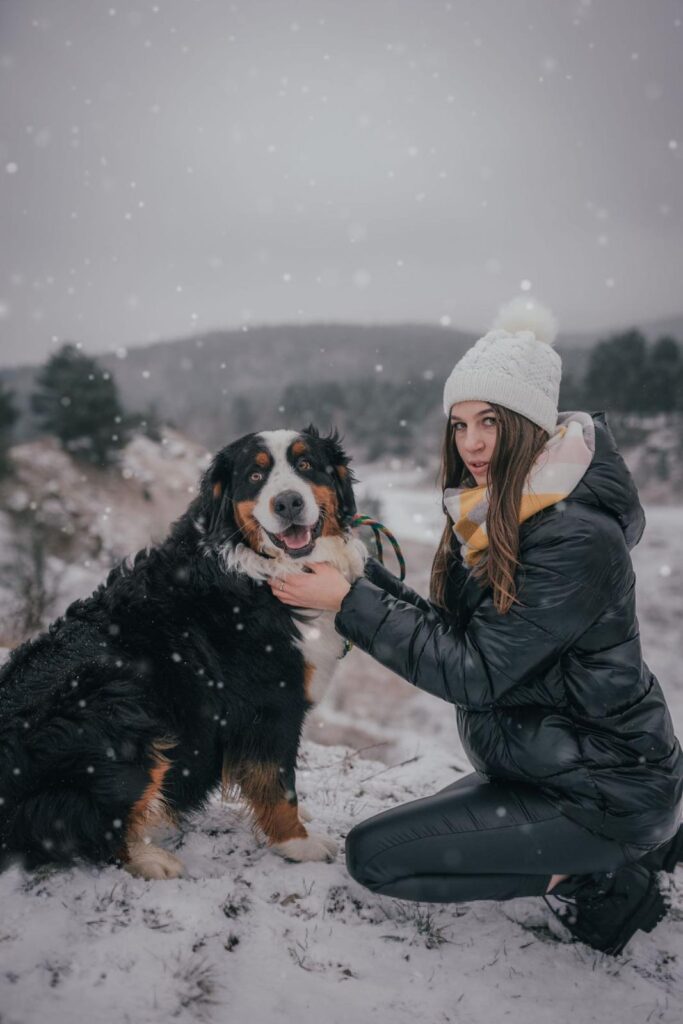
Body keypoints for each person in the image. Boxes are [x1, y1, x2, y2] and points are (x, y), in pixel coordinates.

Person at [269, 297, 683, 956]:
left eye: (490, 421)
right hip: (552, 768)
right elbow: (474, 636)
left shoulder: (570, 535)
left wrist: (349, 603)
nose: (471, 443)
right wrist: (357, 572)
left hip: (601, 790)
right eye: (458, 424)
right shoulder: (505, 511)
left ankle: (600, 874)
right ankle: (619, 846)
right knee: (397, 844)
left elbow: (476, 671)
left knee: (377, 858)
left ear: (528, 423)